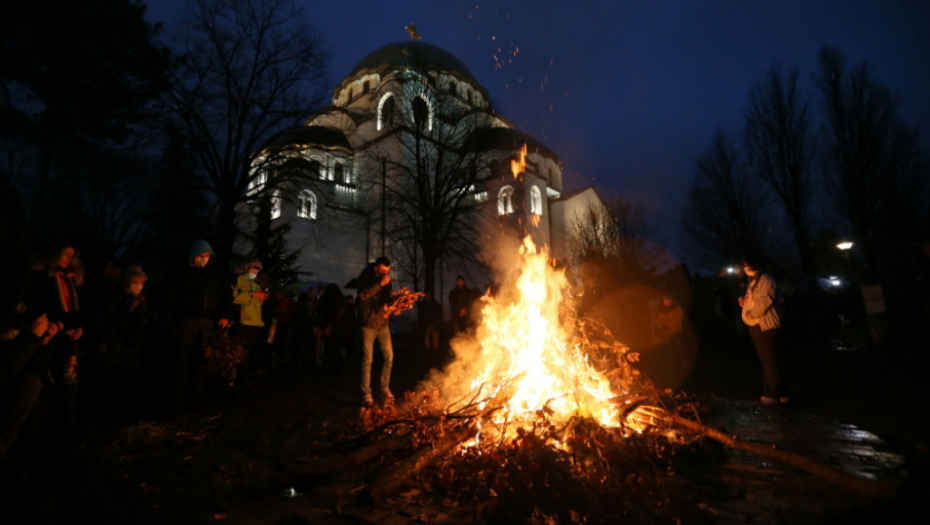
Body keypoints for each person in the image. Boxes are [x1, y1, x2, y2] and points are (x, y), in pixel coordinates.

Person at [170, 240, 230, 407]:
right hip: (188, 321)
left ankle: (199, 394)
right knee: (184, 357)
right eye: (201, 255)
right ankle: (178, 395)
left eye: (206, 256)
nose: (204, 259)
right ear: (194, 256)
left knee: (204, 358)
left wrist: (224, 316)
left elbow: (226, 296)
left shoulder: (215, 275)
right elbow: (174, 299)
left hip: (209, 322)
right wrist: (175, 320)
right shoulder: (184, 274)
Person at [739, 256, 787, 406]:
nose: (744, 268)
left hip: (764, 324)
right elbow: (754, 298)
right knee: (769, 360)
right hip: (756, 324)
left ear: (753, 266)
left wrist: (751, 314)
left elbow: (765, 300)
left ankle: (772, 395)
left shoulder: (766, 279)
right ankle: (780, 393)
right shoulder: (754, 281)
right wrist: (744, 301)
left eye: (746, 265)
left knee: (769, 361)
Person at [356, 256, 395, 407]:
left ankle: (384, 388)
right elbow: (363, 295)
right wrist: (380, 284)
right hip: (368, 324)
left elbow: (387, 298)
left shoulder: (387, 280)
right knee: (368, 360)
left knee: (389, 357)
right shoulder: (365, 278)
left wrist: (393, 303)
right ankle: (366, 392)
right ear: (376, 268)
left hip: (383, 324)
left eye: (388, 270)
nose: (386, 273)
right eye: (383, 270)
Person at [231, 258, 269, 394]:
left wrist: (262, 296)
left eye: (259, 268)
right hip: (243, 323)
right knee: (241, 355)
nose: (256, 270)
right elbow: (235, 298)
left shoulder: (256, 282)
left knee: (247, 354)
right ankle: (238, 385)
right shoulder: (240, 280)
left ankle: (241, 382)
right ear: (246, 267)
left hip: (256, 323)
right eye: (254, 267)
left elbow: (258, 303)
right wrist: (253, 295)